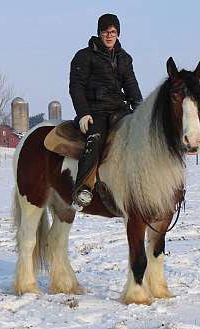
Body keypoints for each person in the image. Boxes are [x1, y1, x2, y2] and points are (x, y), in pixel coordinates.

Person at [69, 13, 143, 210]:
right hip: (96, 111)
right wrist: (83, 112)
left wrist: (140, 111)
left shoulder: (124, 58)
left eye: (113, 32)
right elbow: (76, 86)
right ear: (99, 33)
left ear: (118, 34)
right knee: (96, 140)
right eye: (105, 31)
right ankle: (82, 189)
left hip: (119, 109)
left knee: (138, 139)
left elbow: (131, 86)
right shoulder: (84, 56)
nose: (109, 35)